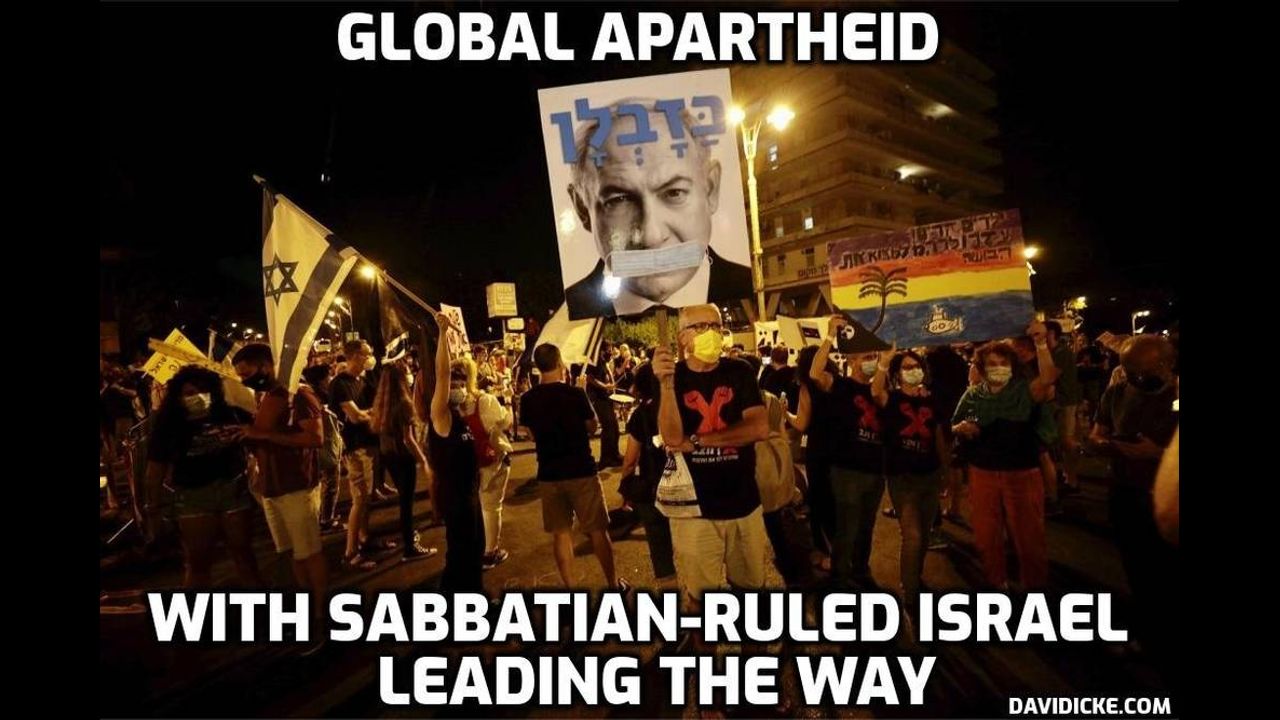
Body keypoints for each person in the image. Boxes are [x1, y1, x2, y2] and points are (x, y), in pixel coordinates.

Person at [561, 101, 752, 319]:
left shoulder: (748, 285)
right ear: (582, 207)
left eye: (674, 193)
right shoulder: (566, 313)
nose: (652, 237)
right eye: (619, 199)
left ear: (710, 189)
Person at [654, 304, 769, 608]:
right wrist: (666, 385)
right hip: (694, 512)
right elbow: (672, 438)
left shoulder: (739, 371)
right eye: (702, 327)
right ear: (682, 337)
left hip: (743, 504)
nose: (712, 333)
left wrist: (697, 441)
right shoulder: (672, 376)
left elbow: (759, 428)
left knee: (751, 592)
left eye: (716, 326)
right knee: (699, 599)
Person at [1088, 335, 1178, 671]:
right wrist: (1104, 444)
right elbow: (1097, 433)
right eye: (1129, 371)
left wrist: (1158, 453)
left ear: (1167, 365)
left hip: (1169, 497)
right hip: (1126, 493)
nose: (1135, 379)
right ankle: (1149, 636)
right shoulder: (1117, 393)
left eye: (1143, 372)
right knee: (1139, 570)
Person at [232, 344, 329, 652]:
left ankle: (321, 617)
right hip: (272, 488)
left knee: (309, 553)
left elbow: (315, 438)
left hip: (297, 486)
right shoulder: (267, 396)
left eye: (247, 373)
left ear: (266, 365)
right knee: (293, 553)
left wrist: (263, 435)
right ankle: (306, 609)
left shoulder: (299, 394)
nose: (245, 380)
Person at [952, 327, 1059, 590]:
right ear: (982, 367)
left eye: (1004, 363)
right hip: (983, 473)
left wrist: (1040, 344)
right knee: (987, 535)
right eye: (992, 363)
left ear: (1012, 366)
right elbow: (954, 424)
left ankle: (1034, 588)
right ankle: (996, 584)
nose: (998, 367)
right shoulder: (973, 395)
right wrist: (962, 428)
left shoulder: (1023, 391)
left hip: (1021, 474)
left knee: (1029, 536)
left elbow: (1047, 378)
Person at [143, 365, 261, 588]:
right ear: (178, 396)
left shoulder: (230, 414)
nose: (197, 396)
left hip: (233, 491)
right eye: (190, 393)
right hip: (194, 497)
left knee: (244, 556)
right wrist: (153, 508)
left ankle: (260, 606)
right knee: (198, 563)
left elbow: (257, 441)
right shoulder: (168, 424)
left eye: (203, 391)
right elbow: (155, 469)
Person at [520, 343, 624, 589]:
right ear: (559, 363)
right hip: (581, 470)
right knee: (597, 530)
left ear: (538, 367)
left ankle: (570, 588)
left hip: (549, 473)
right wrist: (582, 395)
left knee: (561, 533)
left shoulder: (528, 399)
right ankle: (612, 584)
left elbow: (530, 434)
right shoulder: (575, 394)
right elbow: (592, 427)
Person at [794, 315, 886, 589]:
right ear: (851, 361)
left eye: (874, 356)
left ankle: (861, 570)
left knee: (866, 526)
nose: (872, 361)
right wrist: (829, 336)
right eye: (867, 357)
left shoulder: (879, 390)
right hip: (847, 471)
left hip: (875, 470)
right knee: (846, 527)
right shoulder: (840, 385)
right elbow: (815, 373)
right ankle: (840, 577)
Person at [871, 348, 949, 633]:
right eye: (906, 367)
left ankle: (914, 576)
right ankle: (911, 595)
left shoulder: (932, 400)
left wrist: (945, 472)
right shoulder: (892, 399)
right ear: (897, 374)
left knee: (924, 535)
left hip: (929, 476)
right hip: (902, 478)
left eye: (916, 365)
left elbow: (939, 437)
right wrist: (883, 363)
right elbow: (876, 391)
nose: (912, 370)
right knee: (912, 535)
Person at [427, 312, 486, 595]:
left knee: (476, 548)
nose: (458, 388)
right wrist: (442, 333)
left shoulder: (460, 415)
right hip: (456, 498)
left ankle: (474, 597)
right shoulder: (441, 416)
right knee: (461, 552)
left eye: (463, 383)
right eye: (455, 384)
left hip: (470, 494)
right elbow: (442, 374)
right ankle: (453, 601)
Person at [330, 340, 397, 570]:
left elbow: (371, 409)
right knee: (359, 500)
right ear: (354, 356)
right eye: (367, 353)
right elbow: (356, 416)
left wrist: (371, 413)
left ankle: (364, 538)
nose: (371, 358)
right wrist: (374, 414)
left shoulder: (362, 380)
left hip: (369, 444)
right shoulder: (340, 384)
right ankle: (350, 552)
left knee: (367, 498)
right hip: (356, 447)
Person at [371, 362, 439, 562]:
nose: (410, 376)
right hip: (402, 457)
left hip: (389, 456)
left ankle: (408, 535)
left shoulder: (381, 402)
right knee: (407, 503)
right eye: (407, 373)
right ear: (401, 379)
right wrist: (423, 460)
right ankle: (410, 547)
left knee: (403, 499)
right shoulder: (403, 404)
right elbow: (408, 438)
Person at [618, 362, 676, 583]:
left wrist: (626, 487)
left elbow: (630, 460)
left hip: (652, 488)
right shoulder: (678, 407)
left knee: (660, 548)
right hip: (683, 486)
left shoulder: (640, 415)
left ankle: (670, 591)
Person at [301, 363, 344, 534]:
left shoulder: (317, 396)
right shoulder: (316, 399)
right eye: (328, 377)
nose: (330, 379)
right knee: (330, 482)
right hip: (325, 446)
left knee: (325, 483)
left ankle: (324, 516)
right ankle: (326, 519)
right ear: (320, 381)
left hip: (326, 444)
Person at [1046, 322, 1083, 493]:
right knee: (1060, 441)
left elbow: (1050, 377)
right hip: (1058, 402)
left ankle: (1072, 480)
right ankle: (1066, 475)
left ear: (1051, 333)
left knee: (1067, 441)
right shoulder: (1054, 352)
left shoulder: (1061, 352)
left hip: (1066, 401)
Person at [585, 340, 624, 468]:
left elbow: (607, 375)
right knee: (608, 427)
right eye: (608, 350)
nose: (611, 352)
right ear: (601, 350)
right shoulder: (593, 362)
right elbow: (590, 378)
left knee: (614, 427)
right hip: (598, 398)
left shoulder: (603, 362)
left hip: (606, 397)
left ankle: (614, 454)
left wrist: (611, 385)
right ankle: (605, 459)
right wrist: (605, 386)